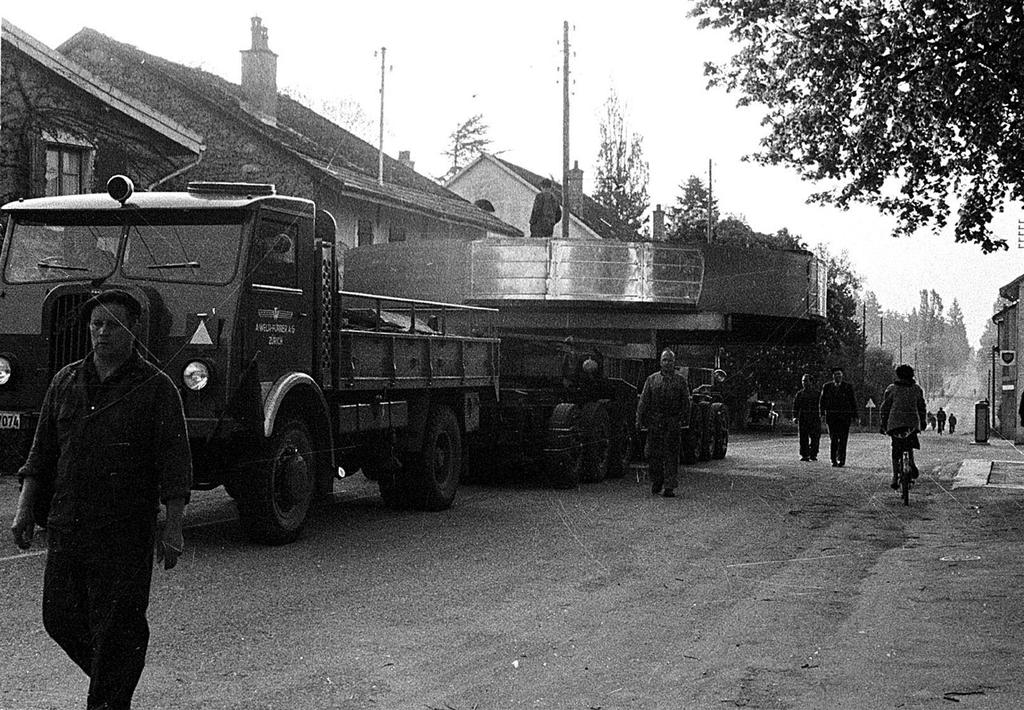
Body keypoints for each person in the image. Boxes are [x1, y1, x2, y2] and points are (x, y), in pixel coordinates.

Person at [10, 289, 192, 710]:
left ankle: (110, 695)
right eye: (96, 325)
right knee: (58, 619)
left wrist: (174, 525)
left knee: (120, 627)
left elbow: (174, 464)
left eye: (112, 325)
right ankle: (115, 683)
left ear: (133, 330)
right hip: (68, 523)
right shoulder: (65, 381)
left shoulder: (156, 388)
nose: (102, 333)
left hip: (124, 531)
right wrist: (24, 509)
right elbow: (41, 454)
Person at [636, 348, 691, 498]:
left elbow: (686, 402)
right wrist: (639, 419)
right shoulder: (652, 380)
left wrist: (685, 420)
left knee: (671, 455)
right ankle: (657, 482)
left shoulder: (680, 381)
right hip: (655, 422)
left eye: (670, 360)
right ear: (660, 362)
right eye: (664, 360)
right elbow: (643, 401)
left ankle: (669, 486)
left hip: (672, 422)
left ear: (674, 363)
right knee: (654, 455)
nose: (667, 363)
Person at [879, 364, 927, 490]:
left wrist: (883, 424)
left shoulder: (892, 389)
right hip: (912, 424)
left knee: (896, 450)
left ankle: (895, 476)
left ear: (898, 375)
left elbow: (885, 408)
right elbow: (921, 407)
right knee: (909, 444)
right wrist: (922, 422)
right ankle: (911, 463)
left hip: (895, 424)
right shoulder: (917, 389)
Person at [819, 366, 858, 467]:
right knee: (834, 439)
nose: (838, 376)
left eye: (839, 374)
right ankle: (833, 459)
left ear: (842, 376)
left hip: (844, 418)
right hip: (831, 418)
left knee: (843, 439)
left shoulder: (848, 387)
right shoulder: (827, 387)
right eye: (836, 374)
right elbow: (822, 402)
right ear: (833, 376)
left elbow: (853, 401)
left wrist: (855, 415)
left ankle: (841, 459)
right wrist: (822, 414)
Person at [792, 373, 821, 461]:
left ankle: (813, 454)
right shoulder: (799, 394)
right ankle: (804, 454)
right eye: (803, 381)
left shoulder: (817, 394)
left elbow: (822, 406)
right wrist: (795, 417)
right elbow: (795, 406)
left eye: (806, 381)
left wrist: (822, 415)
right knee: (803, 437)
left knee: (815, 438)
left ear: (811, 382)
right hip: (803, 418)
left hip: (815, 418)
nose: (804, 383)